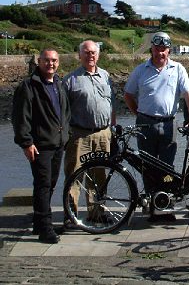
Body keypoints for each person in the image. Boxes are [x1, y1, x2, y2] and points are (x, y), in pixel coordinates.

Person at [124, 31, 189, 222]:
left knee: (167, 167)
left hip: (169, 123)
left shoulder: (178, 68)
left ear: (169, 50)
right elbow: (128, 94)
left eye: (164, 50)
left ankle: (165, 206)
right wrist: (139, 114)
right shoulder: (141, 70)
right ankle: (152, 205)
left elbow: (188, 95)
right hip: (145, 123)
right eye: (157, 49)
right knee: (147, 166)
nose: (160, 53)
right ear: (152, 49)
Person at [12, 49, 71, 243]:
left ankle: (39, 223)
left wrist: (66, 134)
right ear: (39, 62)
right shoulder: (28, 86)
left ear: (58, 63)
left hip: (58, 143)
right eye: (47, 60)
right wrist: (26, 143)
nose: (50, 64)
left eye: (54, 60)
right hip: (40, 145)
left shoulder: (59, 84)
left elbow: (65, 112)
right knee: (43, 185)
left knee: (50, 184)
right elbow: (21, 117)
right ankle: (46, 230)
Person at [63, 40, 116, 227]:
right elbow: (63, 111)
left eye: (93, 52)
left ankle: (97, 213)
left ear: (98, 55)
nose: (90, 55)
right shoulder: (70, 80)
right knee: (75, 176)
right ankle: (71, 216)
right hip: (79, 135)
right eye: (86, 52)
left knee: (99, 176)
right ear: (80, 55)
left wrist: (113, 128)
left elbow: (112, 104)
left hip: (103, 134)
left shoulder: (106, 76)